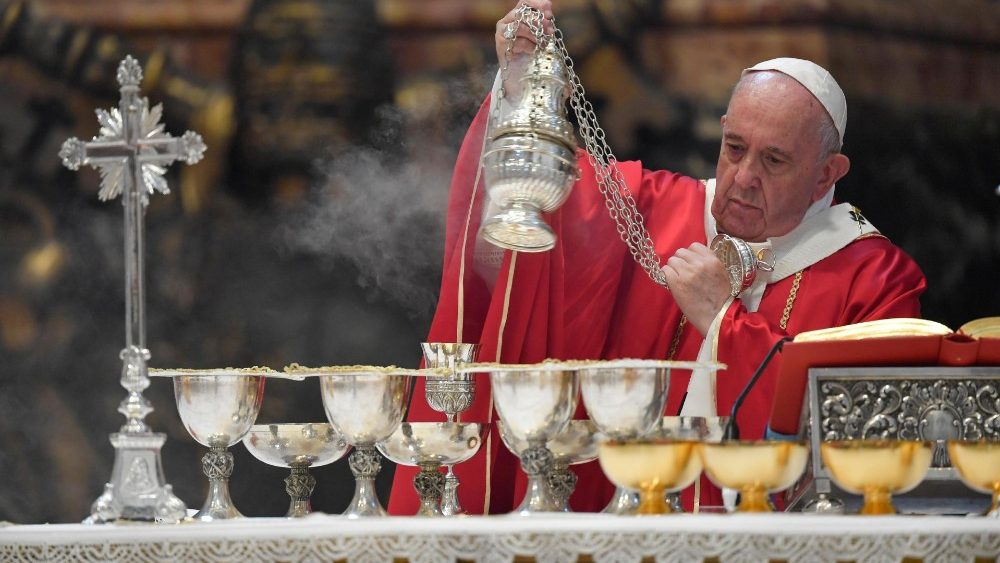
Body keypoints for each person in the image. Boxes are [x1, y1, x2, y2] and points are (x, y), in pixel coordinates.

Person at [388, 0, 925, 514]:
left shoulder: (877, 280)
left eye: (774, 161)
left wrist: (724, 322)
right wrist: (523, 90)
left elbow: (863, 450)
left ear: (827, 175)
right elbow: (532, 212)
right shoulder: (655, 212)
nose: (742, 178)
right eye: (735, 148)